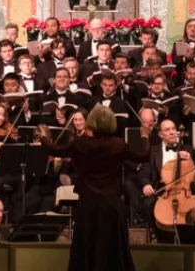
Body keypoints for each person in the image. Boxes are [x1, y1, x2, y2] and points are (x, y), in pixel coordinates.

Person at [47, 105, 148, 271]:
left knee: (86, 246)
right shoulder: (118, 144)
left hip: (88, 204)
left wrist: (44, 138)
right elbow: (144, 156)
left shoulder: (80, 143)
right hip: (111, 204)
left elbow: (55, 150)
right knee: (112, 248)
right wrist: (144, 136)